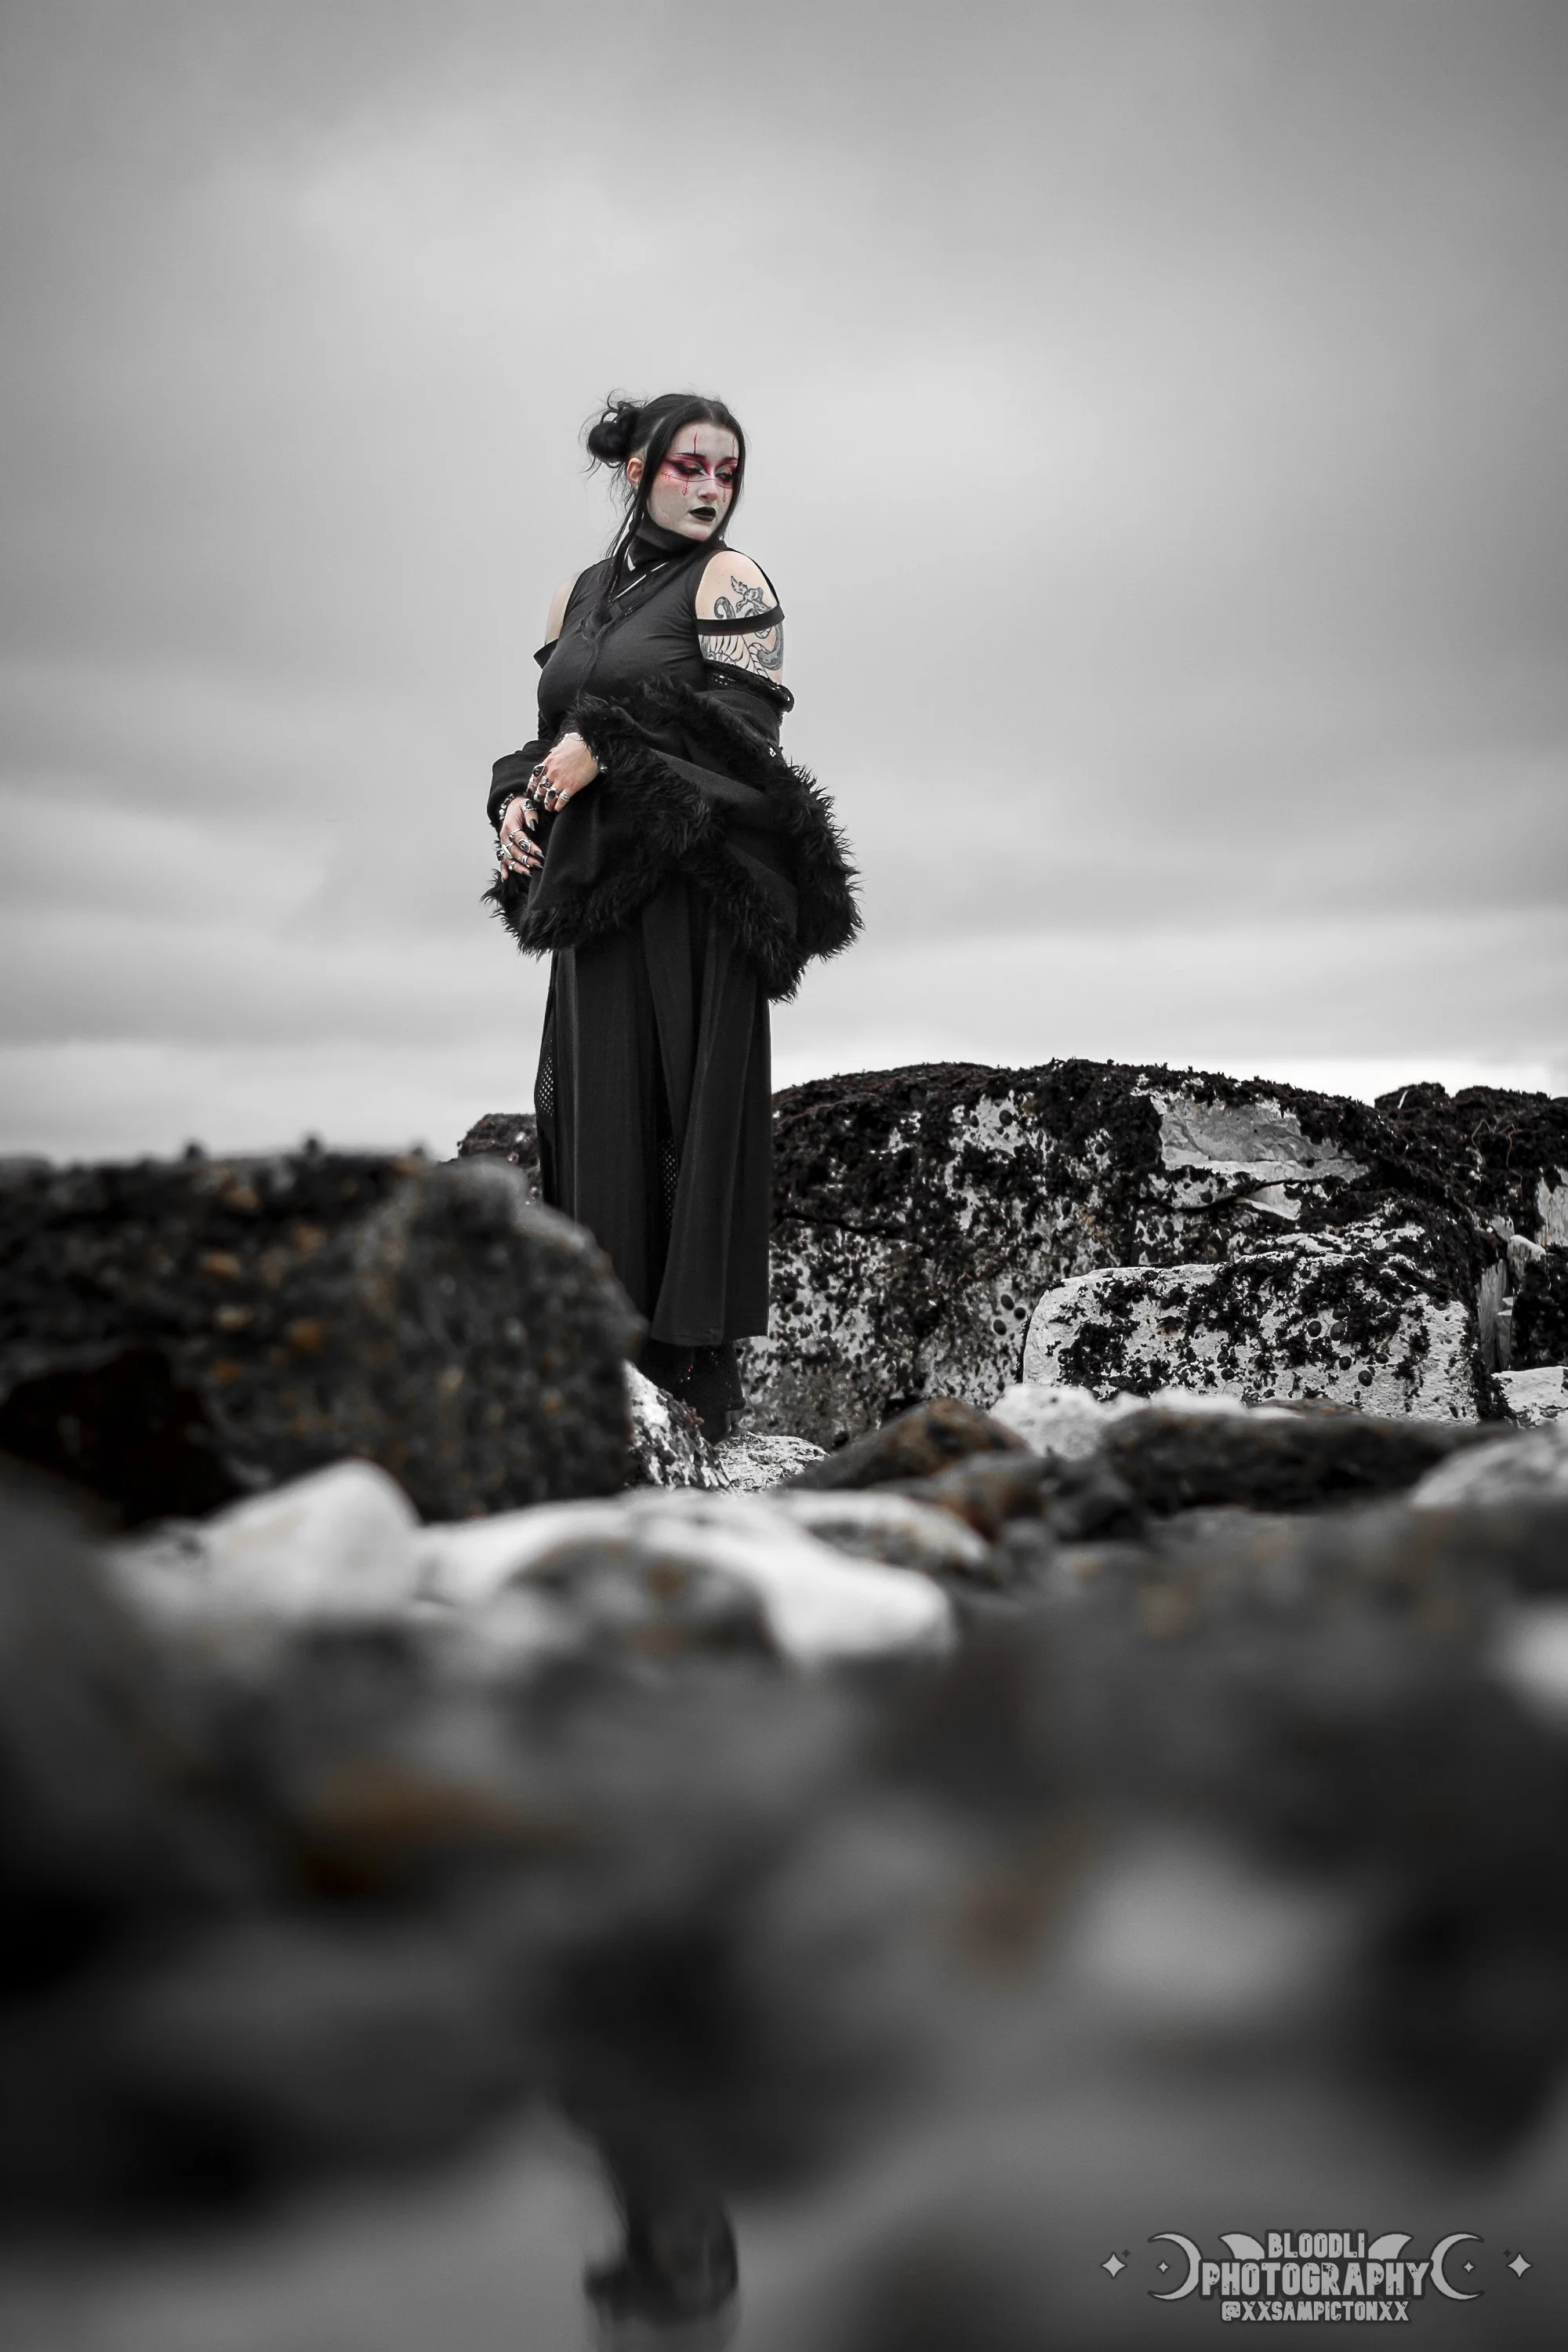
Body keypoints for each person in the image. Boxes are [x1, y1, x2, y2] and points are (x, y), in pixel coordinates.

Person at [485, 393, 858, 1439]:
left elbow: (747, 741)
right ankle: (604, 1379)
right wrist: (519, 805)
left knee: (678, 1124)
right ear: (639, 470)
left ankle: (693, 1394)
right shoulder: (578, 595)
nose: (709, 489)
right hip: (597, 894)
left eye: (726, 472)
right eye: (689, 467)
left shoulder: (733, 581)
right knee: (590, 1115)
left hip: (695, 895)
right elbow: (550, 734)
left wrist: (608, 747)